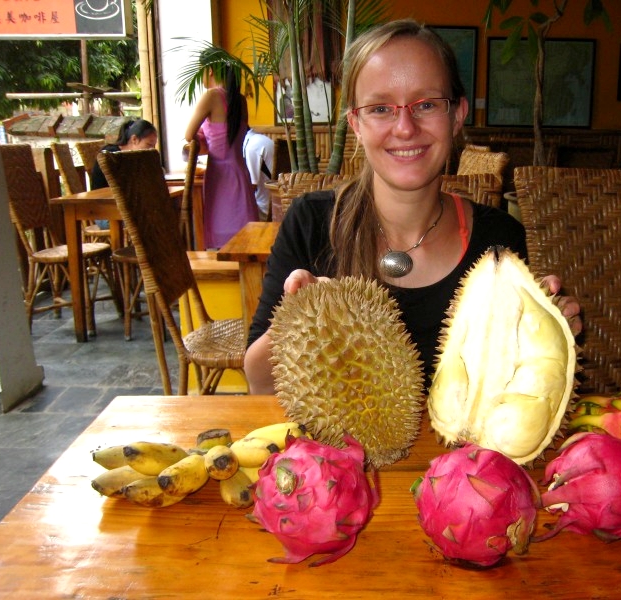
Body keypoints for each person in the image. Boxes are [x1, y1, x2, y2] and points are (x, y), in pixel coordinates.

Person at [244, 19, 581, 394]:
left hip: (460, 452)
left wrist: (547, 336)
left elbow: (509, 386)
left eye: (426, 104)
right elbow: (259, 384)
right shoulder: (311, 222)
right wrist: (299, 319)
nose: (405, 127)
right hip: (336, 452)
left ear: (456, 115)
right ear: (355, 122)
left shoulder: (499, 239)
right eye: (380, 108)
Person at [185, 60, 259, 249]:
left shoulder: (211, 96)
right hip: (240, 173)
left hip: (220, 177)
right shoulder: (240, 101)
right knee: (245, 239)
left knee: (221, 242)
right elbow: (230, 135)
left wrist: (203, 137)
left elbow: (188, 135)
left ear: (210, 71)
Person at [89, 118, 158, 190]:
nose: (152, 149)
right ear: (134, 139)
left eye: (153, 146)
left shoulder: (135, 157)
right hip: (106, 197)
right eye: (149, 145)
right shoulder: (112, 155)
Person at [243, 129, 275, 220]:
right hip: (274, 203)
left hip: (264, 209)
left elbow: (250, 188)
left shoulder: (252, 146)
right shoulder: (258, 139)